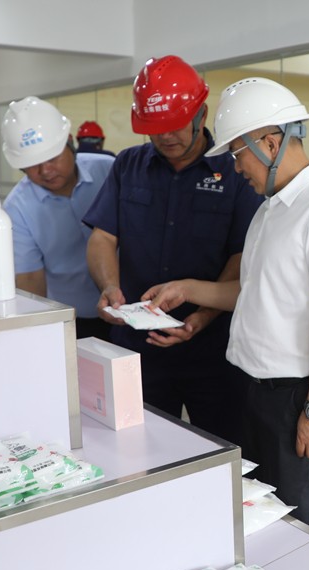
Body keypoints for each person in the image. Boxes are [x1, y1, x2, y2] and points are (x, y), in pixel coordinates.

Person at [143, 77, 309, 542]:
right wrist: (186, 289)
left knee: (308, 524)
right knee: (267, 519)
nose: (236, 167)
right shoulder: (270, 210)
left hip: (295, 397)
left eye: (237, 153)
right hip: (252, 391)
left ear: (270, 142)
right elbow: (253, 292)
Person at [83, 56, 262, 446]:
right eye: (155, 128)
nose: (165, 137)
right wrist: (109, 286)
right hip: (137, 349)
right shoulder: (128, 165)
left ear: (202, 114)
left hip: (213, 350)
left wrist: (202, 316)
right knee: (136, 450)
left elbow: (242, 257)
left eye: (175, 125)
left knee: (218, 451)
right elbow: (103, 237)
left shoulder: (236, 171)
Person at [1, 96, 115, 340]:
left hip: (130, 307)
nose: (45, 171)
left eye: (52, 158)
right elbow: (29, 278)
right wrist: (37, 333)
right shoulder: (16, 208)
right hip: (71, 320)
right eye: (32, 164)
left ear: (69, 143)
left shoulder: (109, 171)